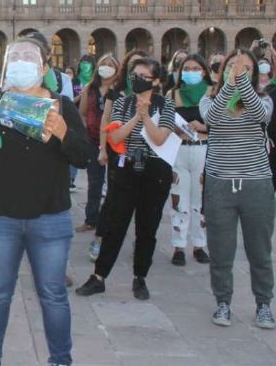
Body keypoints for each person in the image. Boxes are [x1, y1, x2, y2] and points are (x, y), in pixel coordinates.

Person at [0, 36, 91, 366]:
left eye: (28, 56)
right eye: (13, 56)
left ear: (43, 67)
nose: (20, 61)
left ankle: (60, 359)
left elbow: (84, 157)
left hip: (49, 218)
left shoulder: (62, 104)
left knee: (53, 294)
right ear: (6, 68)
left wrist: (63, 131)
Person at [76, 57, 176, 300]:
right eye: (135, 76)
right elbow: (115, 137)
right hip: (126, 167)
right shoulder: (122, 102)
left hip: (155, 170)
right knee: (114, 224)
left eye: (144, 77)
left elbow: (160, 138)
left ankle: (140, 277)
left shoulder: (166, 104)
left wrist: (147, 116)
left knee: (147, 226)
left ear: (156, 81)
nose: (138, 81)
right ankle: (99, 276)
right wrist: (137, 116)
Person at [200, 48, 275, 329]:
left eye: (243, 67)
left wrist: (241, 82)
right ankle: (223, 302)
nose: (237, 69)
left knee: (259, 249)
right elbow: (213, 118)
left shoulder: (264, 100)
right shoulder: (210, 100)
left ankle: (264, 304)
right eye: (231, 65)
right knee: (221, 249)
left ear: (253, 72)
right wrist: (230, 83)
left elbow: (259, 114)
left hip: (257, 184)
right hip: (220, 183)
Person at [166, 54, 212, 266]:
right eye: (187, 68)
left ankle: (199, 244)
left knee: (200, 199)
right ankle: (178, 245)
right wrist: (176, 127)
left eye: (195, 68)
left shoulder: (212, 92)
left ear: (203, 71)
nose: (191, 72)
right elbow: (165, 121)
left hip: (203, 148)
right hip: (180, 148)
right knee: (178, 197)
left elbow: (221, 124)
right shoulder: (173, 93)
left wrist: (201, 126)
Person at [76, 54, 120, 238]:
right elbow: (83, 113)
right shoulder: (90, 89)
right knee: (95, 182)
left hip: (116, 141)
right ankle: (91, 219)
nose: (107, 67)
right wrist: (86, 130)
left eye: (111, 65)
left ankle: (113, 219)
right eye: (104, 64)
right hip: (93, 140)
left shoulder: (120, 90)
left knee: (115, 182)